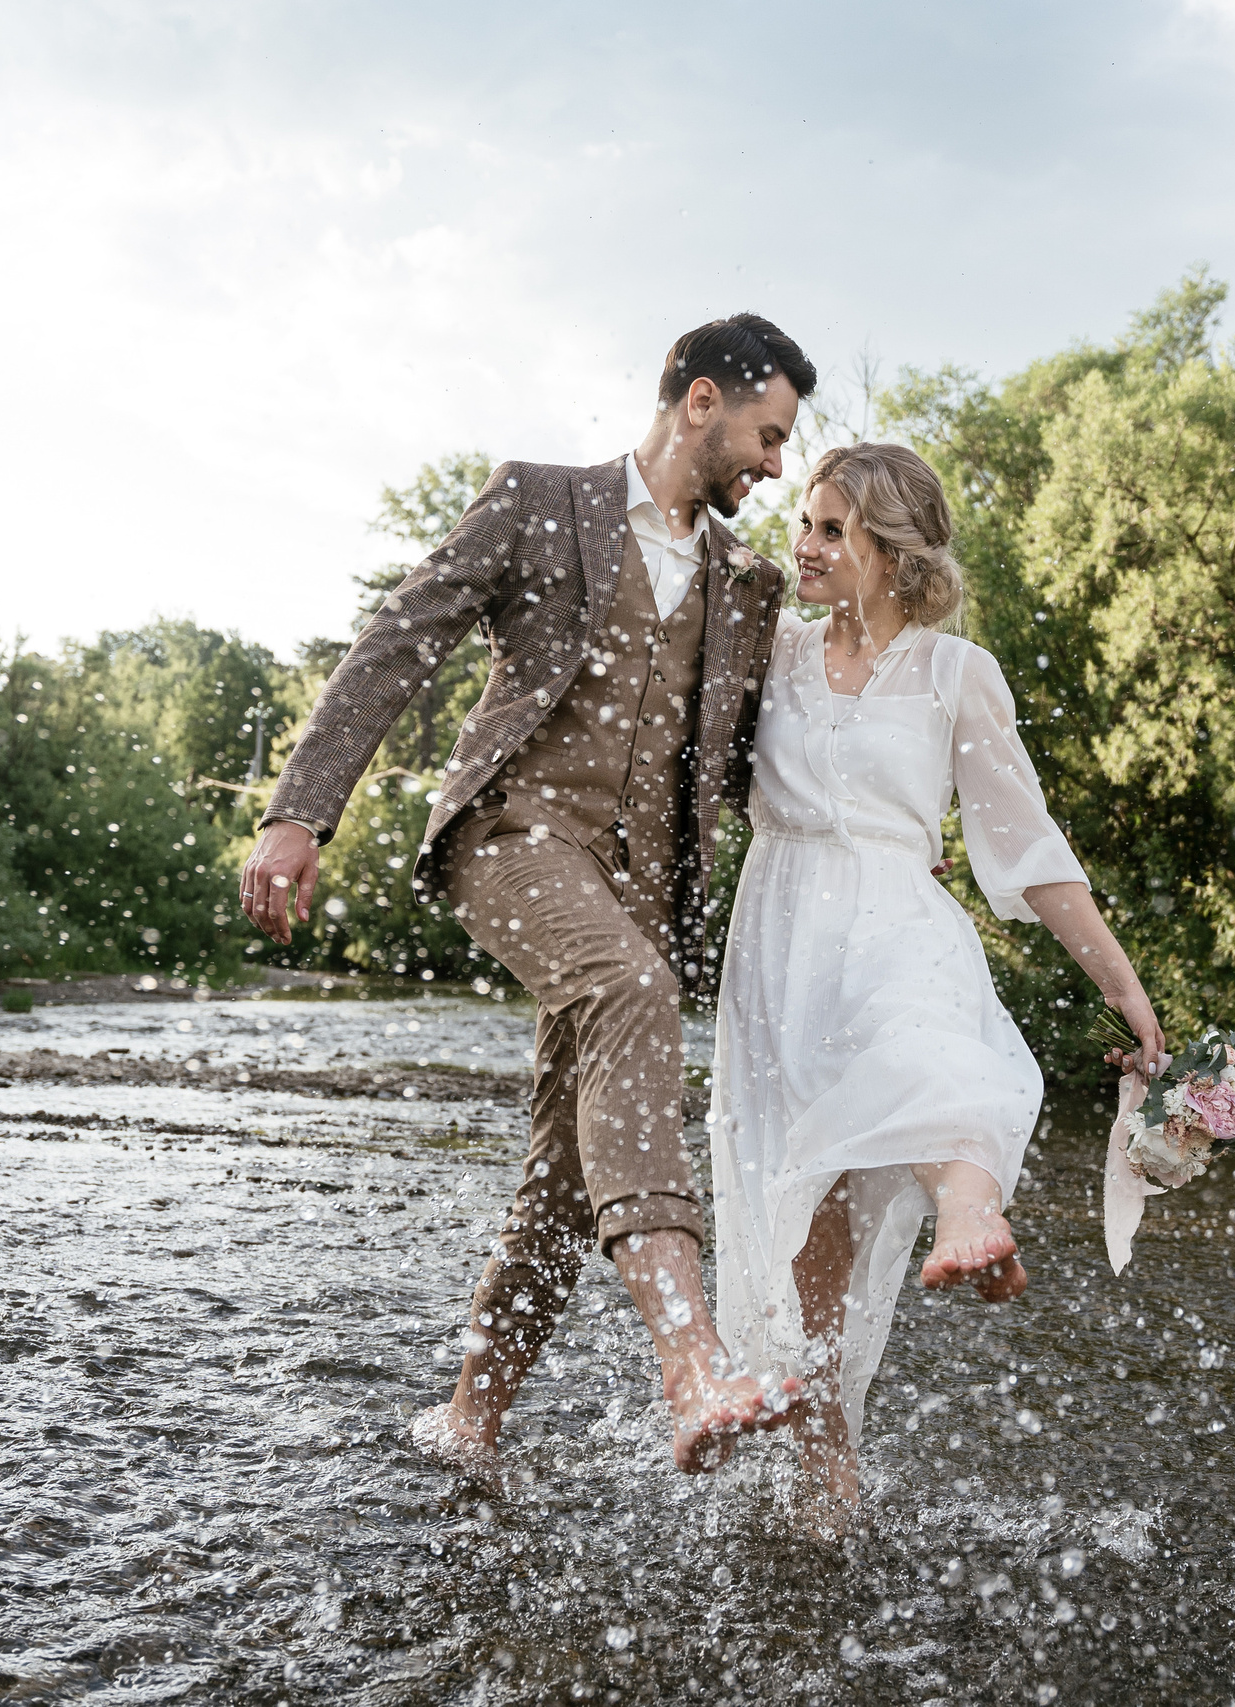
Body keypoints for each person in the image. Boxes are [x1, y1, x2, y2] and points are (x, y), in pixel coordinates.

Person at [241, 314, 818, 1474]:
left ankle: (467, 1418)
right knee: (625, 987)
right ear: (699, 401)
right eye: (766, 433)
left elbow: (760, 758)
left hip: (640, 893)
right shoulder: (538, 502)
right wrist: (298, 812)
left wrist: (886, 838)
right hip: (510, 839)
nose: (773, 464)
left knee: (564, 1182)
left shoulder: (747, 588)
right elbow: (395, 647)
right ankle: (688, 1358)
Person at [705, 442, 1165, 1532]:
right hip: (774, 947)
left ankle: (971, 1210)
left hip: (894, 911)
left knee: (921, 1047)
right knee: (807, 1232)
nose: (805, 547)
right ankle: (828, 1485)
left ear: (893, 553)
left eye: (831, 531)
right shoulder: (768, 650)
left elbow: (1030, 850)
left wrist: (1128, 995)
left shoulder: (957, 673)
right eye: (805, 524)